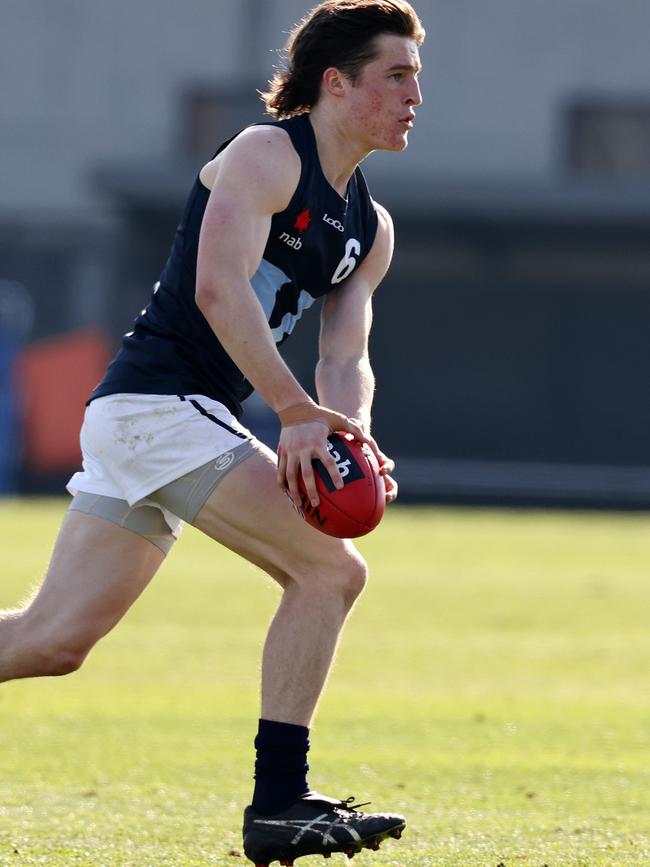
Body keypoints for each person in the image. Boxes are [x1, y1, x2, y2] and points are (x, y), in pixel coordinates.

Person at [0, 1, 424, 863]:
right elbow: (218, 291)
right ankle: (278, 800)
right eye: (398, 75)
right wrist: (297, 415)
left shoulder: (368, 229)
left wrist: (355, 431)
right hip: (157, 407)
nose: (416, 94)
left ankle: (280, 801)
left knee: (52, 640)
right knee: (330, 570)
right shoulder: (266, 153)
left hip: (166, 421)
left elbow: (346, 356)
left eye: (418, 76)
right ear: (334, 83)